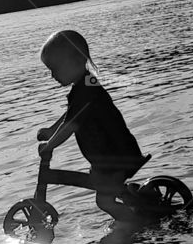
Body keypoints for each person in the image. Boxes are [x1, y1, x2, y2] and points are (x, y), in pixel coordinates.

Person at [37, 30, 145, 223]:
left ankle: (137, 224)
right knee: (104, 188)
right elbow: (72, 114)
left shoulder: (85, 89)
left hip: (116, 158)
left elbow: (69, 126)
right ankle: (136, 198)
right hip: (111, 157)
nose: (52, 75)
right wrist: (51, 131)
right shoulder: (85, 85)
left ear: (76, 60)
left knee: (104, 201)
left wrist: (50, 145)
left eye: (55, 68)